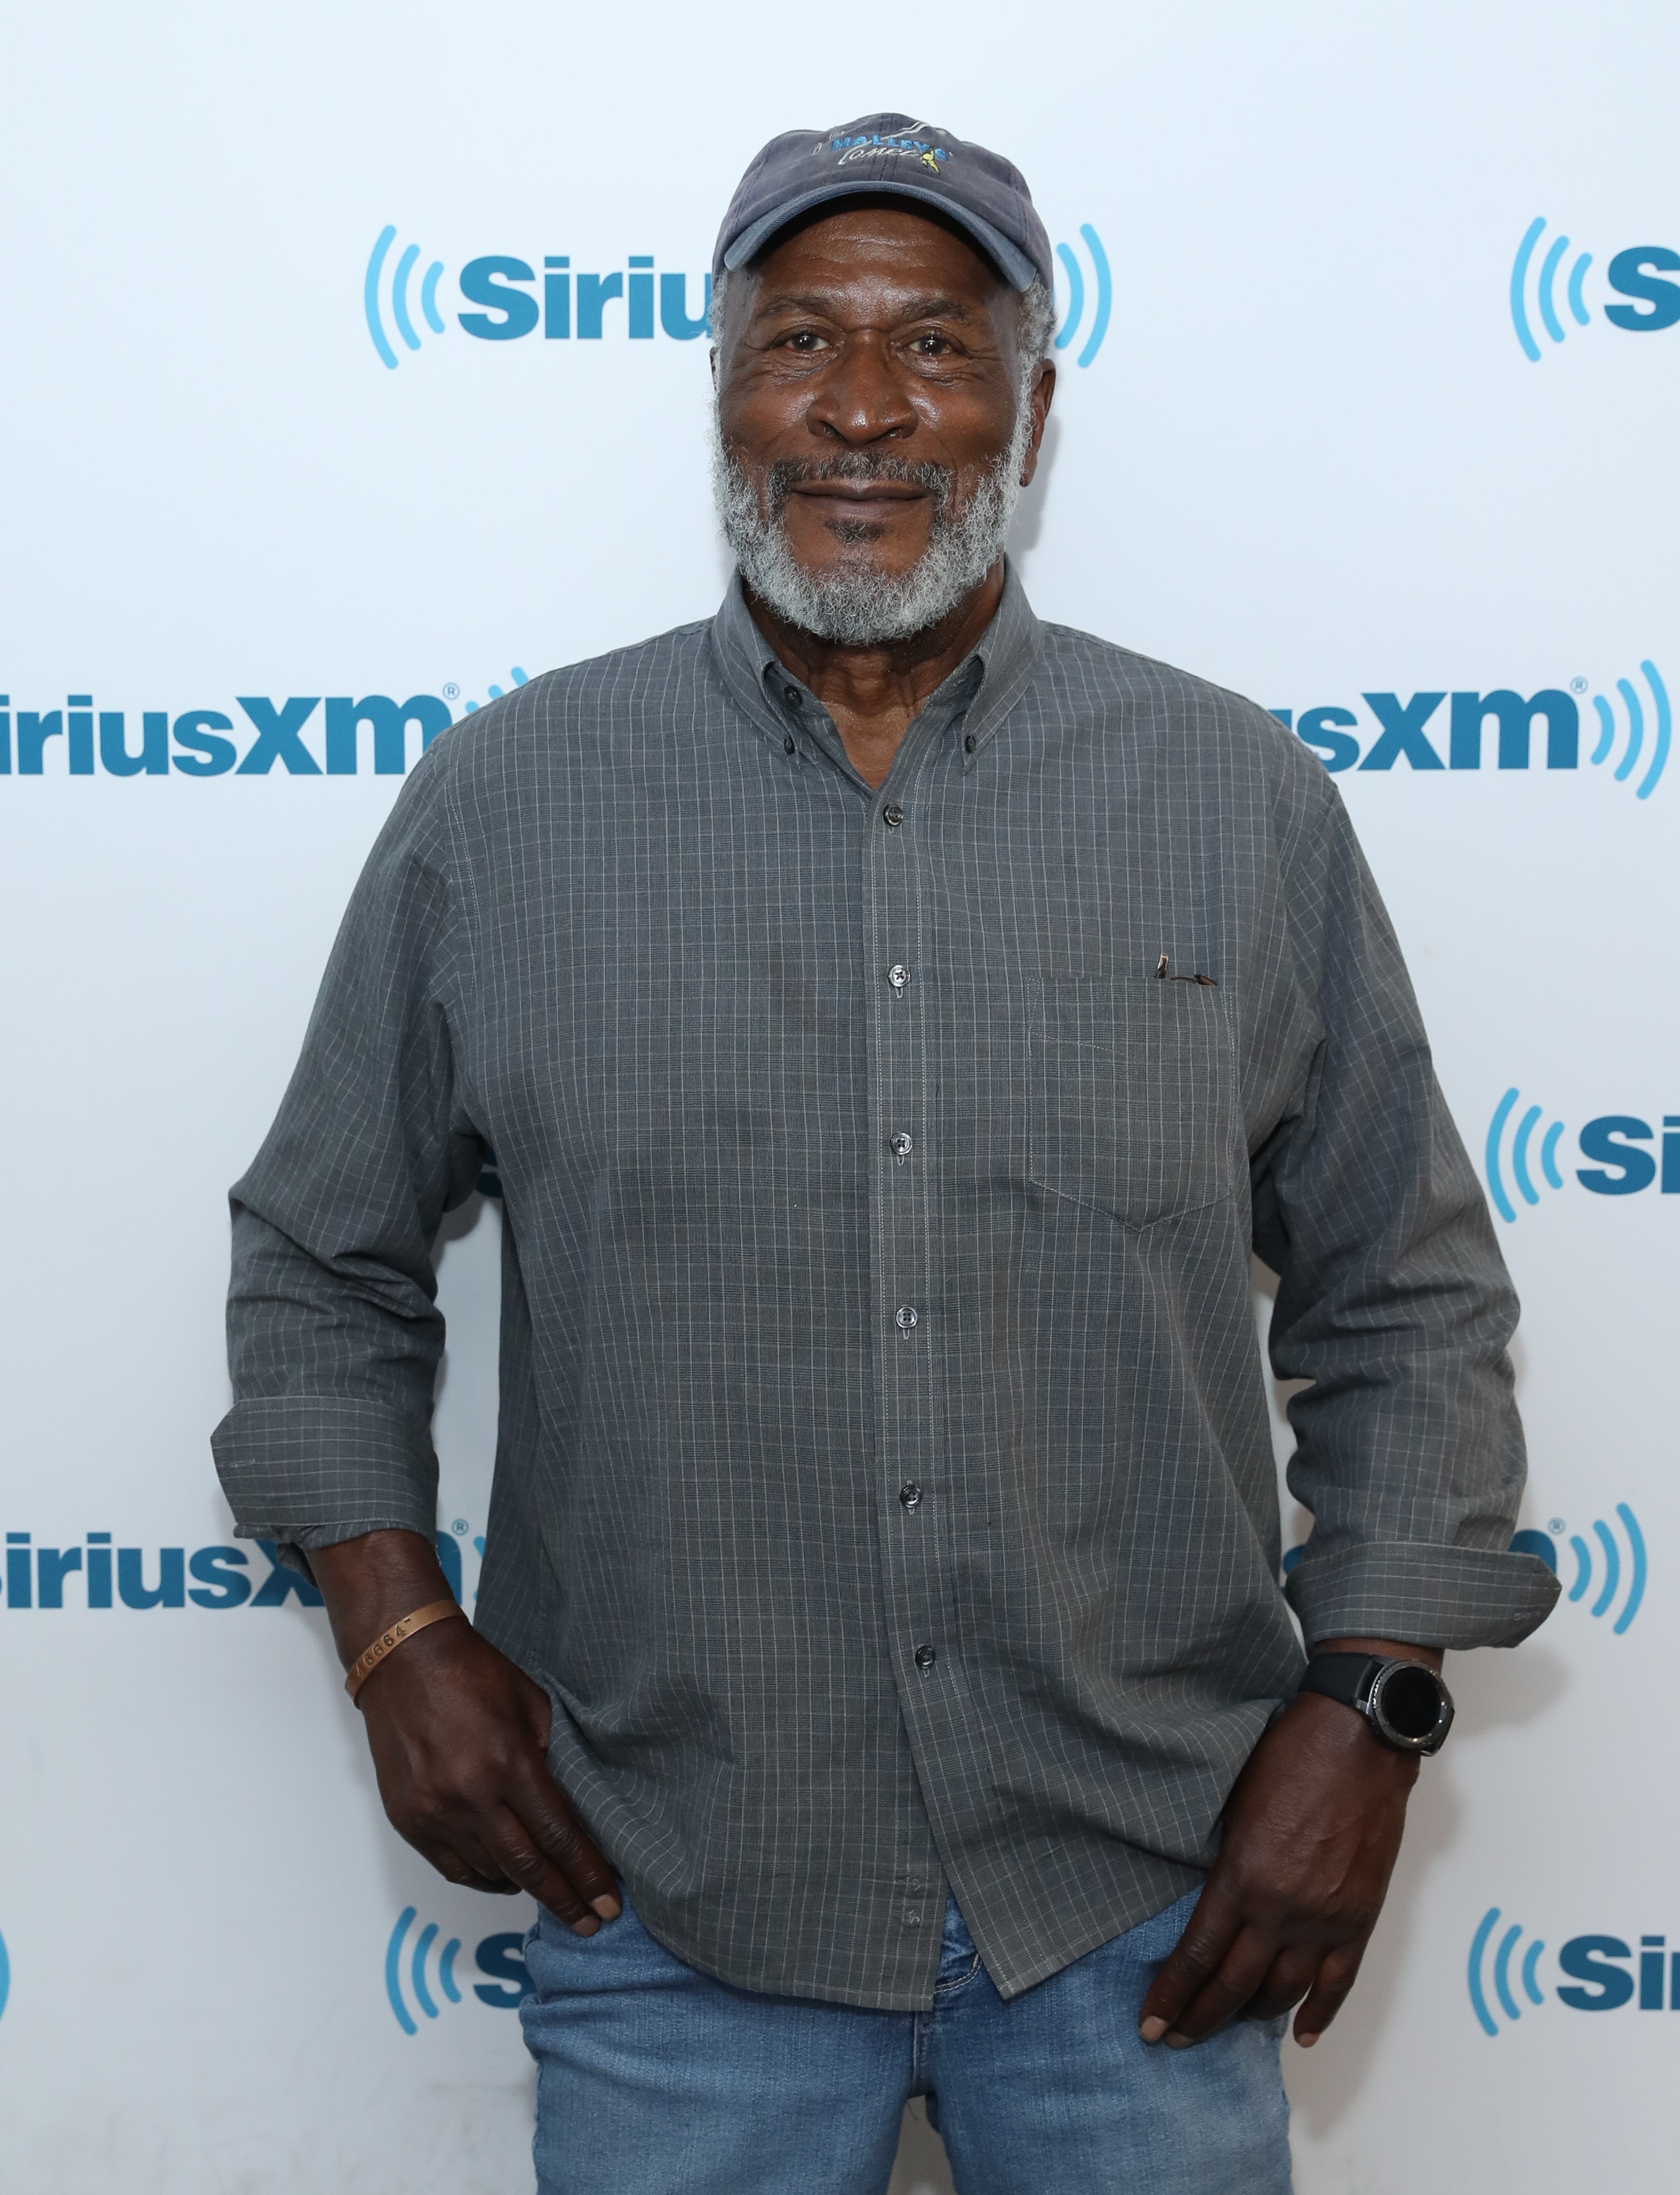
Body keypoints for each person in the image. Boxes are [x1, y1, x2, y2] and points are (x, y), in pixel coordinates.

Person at [213, 112, 1559, 2194]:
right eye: (798, 341)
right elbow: (323, 1258)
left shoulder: (1237, 801)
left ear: (1037, 406)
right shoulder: (509, 805)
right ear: (724, 390)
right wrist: (399, 1635)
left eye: (935, 345)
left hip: (1143, 1905)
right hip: (674, 1901)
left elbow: (1410, 1296)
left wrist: (1364, 1718)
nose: (859, 409)